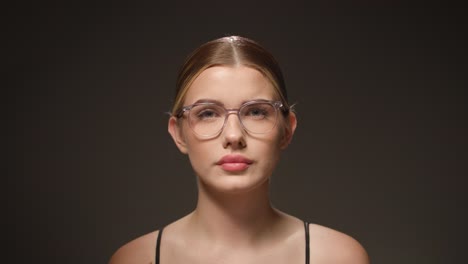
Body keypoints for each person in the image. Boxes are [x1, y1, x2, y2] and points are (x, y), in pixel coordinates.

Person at [109, 35, 370, 264]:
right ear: (178, 133)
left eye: (256, 112)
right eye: (208, 113)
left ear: (287, 129)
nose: (234, 136)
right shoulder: (133, 259)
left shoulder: (338, 258)